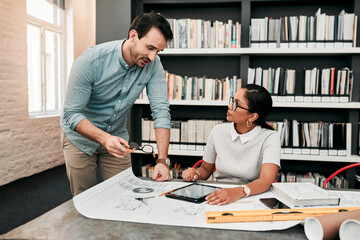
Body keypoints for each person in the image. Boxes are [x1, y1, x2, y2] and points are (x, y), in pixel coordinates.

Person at [61, 12, 173, 196]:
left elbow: (161, 112)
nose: (153, 57)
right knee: (85, 198)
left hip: (117, 139)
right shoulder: (90, 61)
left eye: (158, 51)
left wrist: (162, 161)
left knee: (124, 196)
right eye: (150, 48)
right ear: (133, 36)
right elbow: (71, 113)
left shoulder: (154, 65)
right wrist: (105, 139)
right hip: (79, 140)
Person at [182, 84, 280, 205]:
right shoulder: (217, 131)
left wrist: (237, 192)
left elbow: (266, 180)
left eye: (236, 104)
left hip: (252, 196)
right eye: (232, 101)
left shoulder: (270, 137)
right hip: (219, 194)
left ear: (252, 116)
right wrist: (195, 173)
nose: (229, 106)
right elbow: (206, 169)